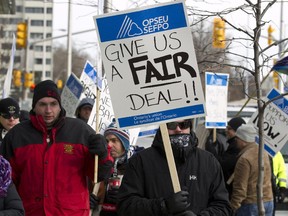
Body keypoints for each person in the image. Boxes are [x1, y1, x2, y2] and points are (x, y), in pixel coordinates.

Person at [0, 80, 109, 216]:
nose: (48, 110)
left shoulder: (81, 131)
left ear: (59, 105)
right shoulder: (16, 136)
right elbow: (5, 182)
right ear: (34, 106)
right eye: (43, 104)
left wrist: (103, 154)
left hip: (71, 212)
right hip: (30, 212)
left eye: (53, 104)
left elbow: (99, 175)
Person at [117, 119, 232, 216]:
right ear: (162, 127)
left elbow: (223, 206)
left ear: (189, 127)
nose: (178, 129)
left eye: (184, 124)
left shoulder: (208, 161)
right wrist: (163, 206)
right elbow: (125, 205)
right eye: (171, 125)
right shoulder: (141, 161)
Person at [230, 124, 274, 215]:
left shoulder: (244, 159)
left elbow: (240, 188)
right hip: (268, 200)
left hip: (251, 204)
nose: (235, 141)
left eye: (237, 138)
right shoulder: (264, 153)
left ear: (244, 141)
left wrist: (233, 207)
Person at [95, 119, 130, 216]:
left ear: (124, 144)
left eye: (114, 140)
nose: (109, 145)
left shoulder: (134, 166)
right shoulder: (97, 164)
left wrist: (123, 197)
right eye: (106, 141)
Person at [271, 151, 287, 215]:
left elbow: (282, 172)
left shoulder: (277, 154)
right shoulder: (256, 151)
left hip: (273, 189)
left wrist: (282, 189)